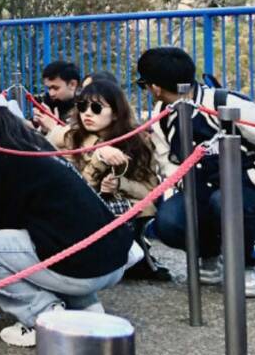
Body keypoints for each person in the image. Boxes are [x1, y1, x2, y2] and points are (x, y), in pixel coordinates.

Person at [0, 72, 139, 347]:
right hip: (113, 260)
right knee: (51, 234)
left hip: (83, 270)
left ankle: (43, 316)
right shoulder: (34, 148)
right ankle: (85, 308)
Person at [137, 47, 255, 294]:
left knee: (225, 201)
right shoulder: (162, 115)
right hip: (201, 186)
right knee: (170, 220)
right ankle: (209, 255)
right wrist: (180, 185)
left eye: (144, 84)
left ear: (155, 88)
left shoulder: (222, 103)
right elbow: (166, 160)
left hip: (246, 187)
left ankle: (245, 264)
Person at [45, 79, 170, 281]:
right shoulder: (73, 136)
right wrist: (98, 154)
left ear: (116, 113)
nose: (87, 113)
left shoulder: (136, 141)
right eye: (82, 106)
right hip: (83, 206)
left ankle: (130, 256)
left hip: (125, 211)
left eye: (96, 108)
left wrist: (119, 184)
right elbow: (77, 188)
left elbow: (151, 193)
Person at [34, 60, 82, 133]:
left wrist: (52, 128)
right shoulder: (49, 103)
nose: (51, 93)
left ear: (72, 84)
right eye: (49, 88)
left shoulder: (85, 109)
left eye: (56, 88)